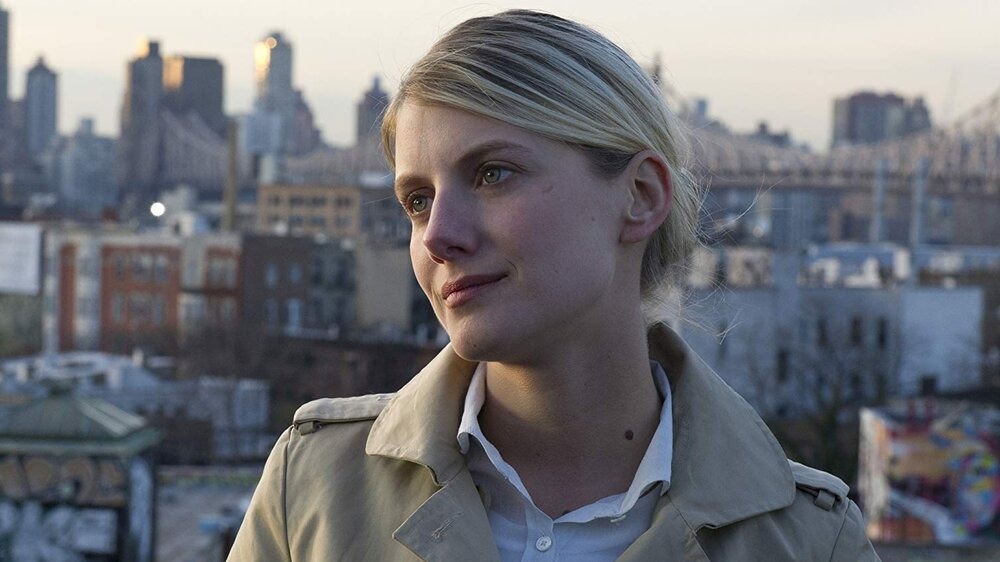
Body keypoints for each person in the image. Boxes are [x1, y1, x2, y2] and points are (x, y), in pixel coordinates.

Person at [228, 10, 881, 561]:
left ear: (641, 196)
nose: (437, 237)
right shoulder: (313, 492)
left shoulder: (810, 541)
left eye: (492, 174)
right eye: (419, 199)